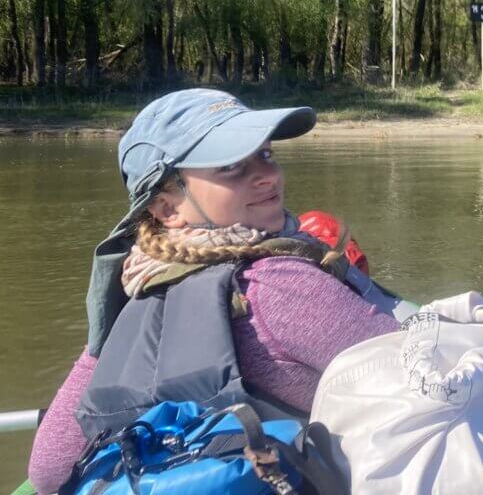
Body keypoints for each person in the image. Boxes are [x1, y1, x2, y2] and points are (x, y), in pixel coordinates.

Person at [28, 89, 402, 494]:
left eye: (265, 154)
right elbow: (438, 380)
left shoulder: (134, 291)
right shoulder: (278, 284)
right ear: (168, 208)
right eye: (230, 166)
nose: (268, 175)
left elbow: (47, 471)